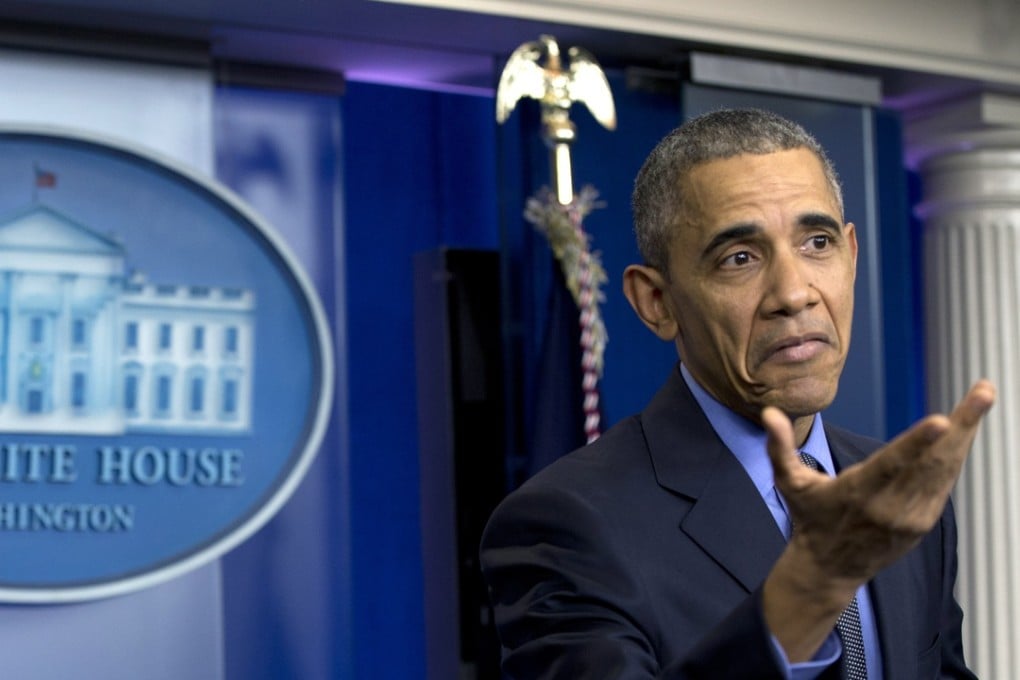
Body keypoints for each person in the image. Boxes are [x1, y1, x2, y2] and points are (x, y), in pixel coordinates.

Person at [479, 108, 995, 679]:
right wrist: (811, 590)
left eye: (817, 242)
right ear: (657, 302)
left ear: (851, 256)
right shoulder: (565, 524)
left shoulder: (895, 502)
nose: (794, 293)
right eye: (740, 258)